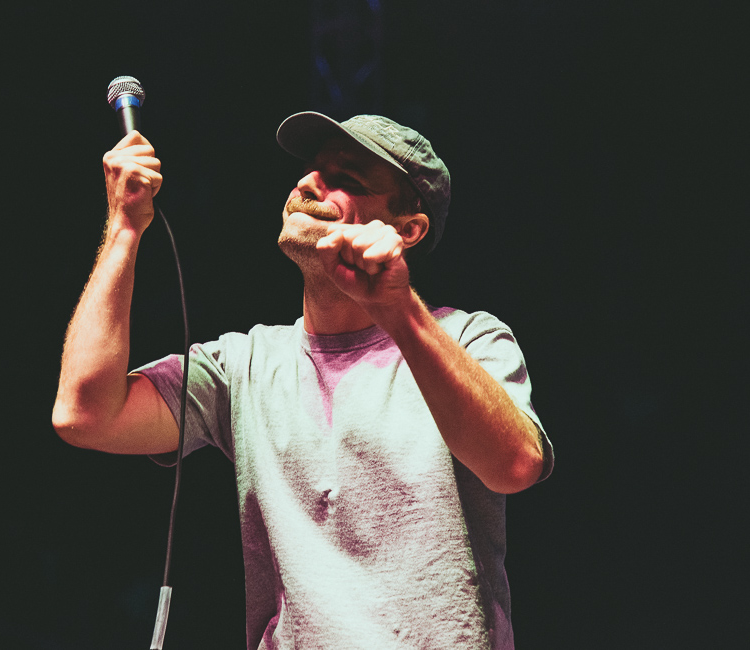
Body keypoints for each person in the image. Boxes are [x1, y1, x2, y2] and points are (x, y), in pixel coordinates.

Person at [52, 111, 553, 649]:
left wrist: (398, 309)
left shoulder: (468, 339)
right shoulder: (245, 364)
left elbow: (516, 465)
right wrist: (125, 228)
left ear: (408, 230)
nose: (308, 184)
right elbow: (86, 415)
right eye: (312, 170)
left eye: (347, 180)